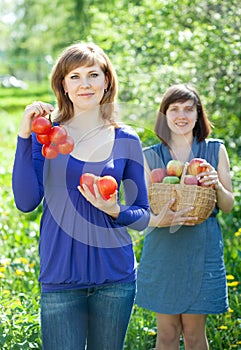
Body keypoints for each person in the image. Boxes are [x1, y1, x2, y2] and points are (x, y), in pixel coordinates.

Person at [12, 42, 150, 350]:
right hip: (60, 276)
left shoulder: (125, 138)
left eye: (92, 74)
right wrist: (25, 136)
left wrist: (115, 210)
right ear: (62, 84)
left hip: (115, 278)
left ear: (106, 82)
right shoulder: (46, 134)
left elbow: (143, 216)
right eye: (74, 76)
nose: (84, 84)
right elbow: (25, 202)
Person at [136, 84, 234, 349]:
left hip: (201, 249)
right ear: (164, 115)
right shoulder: (150, 156)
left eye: (189, 109)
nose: (182, 115)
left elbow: (227, 205)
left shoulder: (215, 151)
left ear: (197, 113)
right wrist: (161, 217)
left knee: (193, 334)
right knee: (166, 334)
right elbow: (143, 210)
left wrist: (217, 185)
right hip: (163, 249)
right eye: (174, 109)